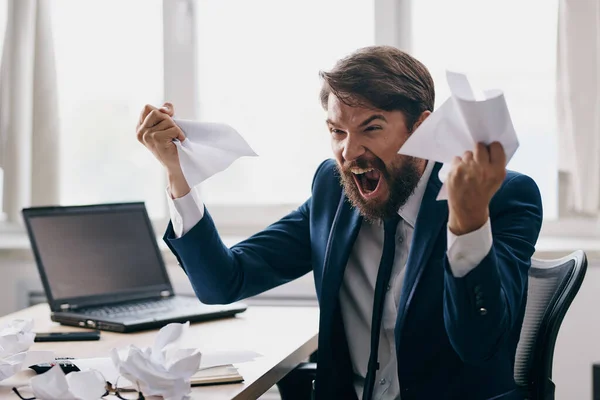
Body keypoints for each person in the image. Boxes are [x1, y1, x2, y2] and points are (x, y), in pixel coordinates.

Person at [137, 46, 542, 400]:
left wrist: (468, 223)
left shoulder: (503, 196)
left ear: (421, 128)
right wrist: (178, 173)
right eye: (337, 131)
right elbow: (223, 282)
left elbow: (479, 344)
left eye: (372, 128)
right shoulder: (334, 190)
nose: (349, 152)